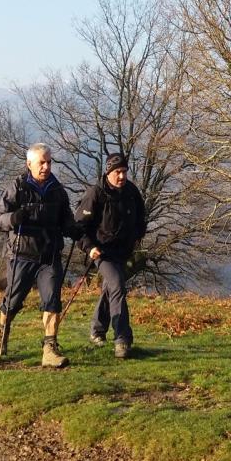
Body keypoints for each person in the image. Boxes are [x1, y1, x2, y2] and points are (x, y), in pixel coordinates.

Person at [0, 143, 80, 368]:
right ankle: (2, 331)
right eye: (42, 162)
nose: (46, 166)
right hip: (21, 253)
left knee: (52, 301)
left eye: (49, 162)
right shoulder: (18, 188)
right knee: (13, 300)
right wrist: (14, 218)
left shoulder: (57, 190)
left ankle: (49, 349)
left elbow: (66, 219)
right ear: (29, 164)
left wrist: (74, 229)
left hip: (49, 255)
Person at [75, 152, 147, 359]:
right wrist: (89, 248)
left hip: (123, 251)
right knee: (117, 286)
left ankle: (97, 331)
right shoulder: (95, 194)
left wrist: (137, 236)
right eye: (118, 172)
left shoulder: (131, 192)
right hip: (102, 252)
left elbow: (141, 217)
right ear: (108, 173)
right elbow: (79, 227)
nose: (122, 176)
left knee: (110, 289)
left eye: (124, 171)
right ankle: (122, 339)